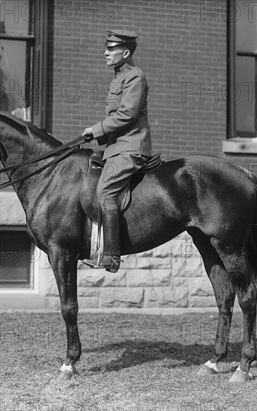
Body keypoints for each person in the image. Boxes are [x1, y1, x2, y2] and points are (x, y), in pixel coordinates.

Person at [82, 29, 152, 273]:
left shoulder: (135, 77)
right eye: (106, 48)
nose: (105, 52)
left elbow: (127, 114)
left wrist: (97, 129)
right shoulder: (118, 78)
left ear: (125, 52)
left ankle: (112, 257)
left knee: (106, 191)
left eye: (110, 49)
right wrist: (96, 134)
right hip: (116, 147)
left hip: (131, 147)